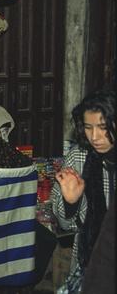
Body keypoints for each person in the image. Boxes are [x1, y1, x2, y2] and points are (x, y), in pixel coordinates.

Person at [51, 89, 116, 293]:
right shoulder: (78, 158)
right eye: (88, 127)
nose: (94, 136)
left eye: (103, 127)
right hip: (90, 265)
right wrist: (71, 203)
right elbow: (64, 224)